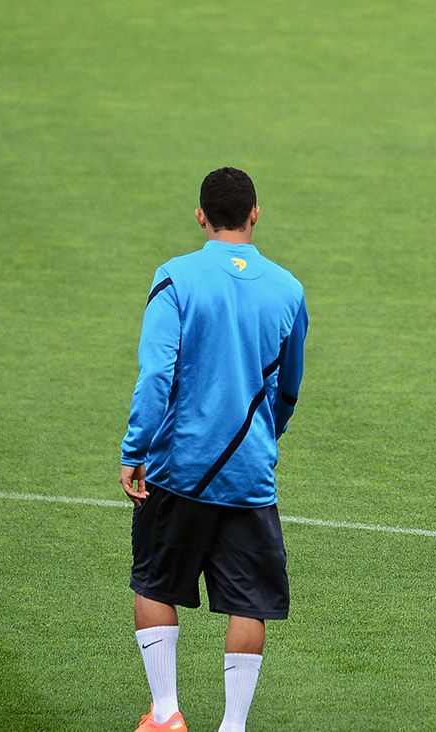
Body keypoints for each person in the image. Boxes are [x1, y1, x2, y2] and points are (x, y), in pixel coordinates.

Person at [120, 167, 308, 731]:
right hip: (250, 473)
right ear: (255, 214)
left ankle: (165, 713)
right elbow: (290, 387)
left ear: (201, 217)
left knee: (154, 582)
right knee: (250, 603)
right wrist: (262, 441)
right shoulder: (289, 289)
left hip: (178, 468)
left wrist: (136, 448)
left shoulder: (175, 277)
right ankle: (233, 726)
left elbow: (157, 375)